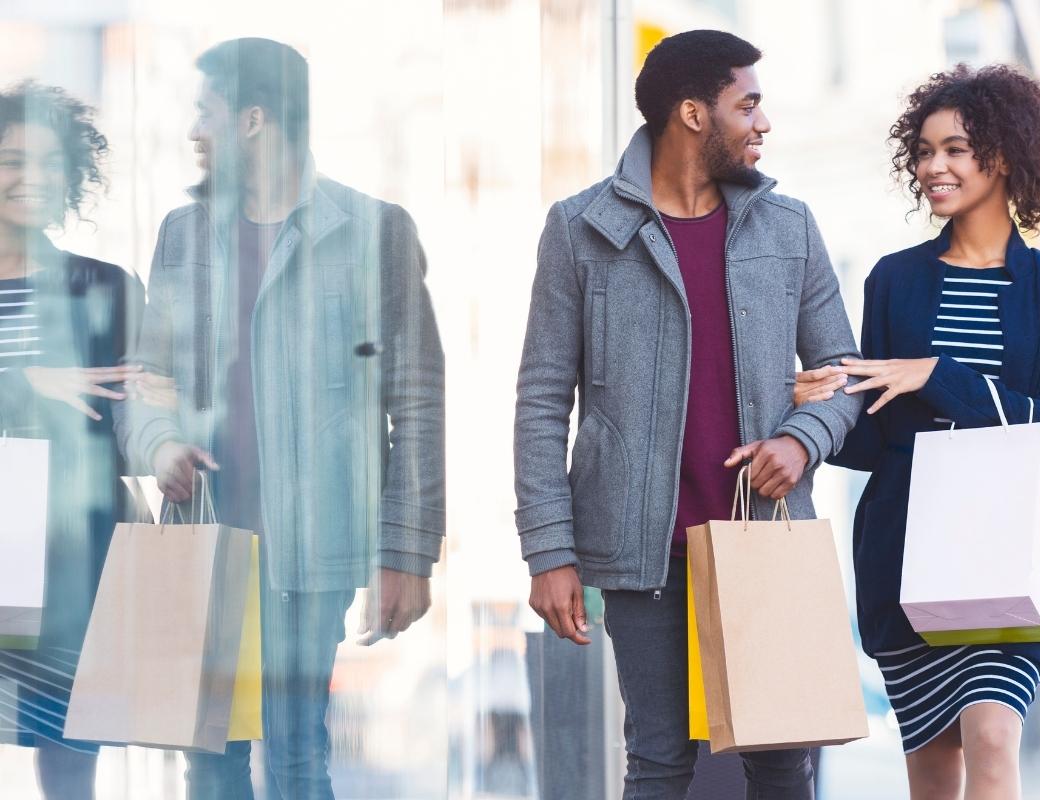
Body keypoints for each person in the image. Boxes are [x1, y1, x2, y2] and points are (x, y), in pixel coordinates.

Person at [514, 30, 862, 799]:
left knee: (779, 759)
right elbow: (542, 398)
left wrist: (803, 443)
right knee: (660, 761)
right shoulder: (581, 230)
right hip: (640, 551)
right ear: (694, 114)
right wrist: (548, 550)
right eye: (749, 104)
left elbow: (845, 375)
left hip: (762, 538)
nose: (763, 124)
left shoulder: (789, 228)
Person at [113, 38, 445, 799]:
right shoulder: (183, 234)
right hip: (205, 540)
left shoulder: (373, 230)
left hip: (313, 545)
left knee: (297, 757)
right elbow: (148, 380)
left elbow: (418, 401)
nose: (195, 131)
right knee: (210, 761)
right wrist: (158, 443)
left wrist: (409, 551)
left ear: (254, 119)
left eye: (207, 113)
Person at [797, 64, 1040, 799]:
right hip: (908, 556)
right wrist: (823, 403)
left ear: (1005, 154)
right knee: (932, 774)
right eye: (926, 151)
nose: (935, 166)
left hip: (1008, 559)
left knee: (992, 734)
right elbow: (877, 440)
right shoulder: (894, 280)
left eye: (956, 148)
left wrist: (937, 375)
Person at [0, 81, 144, 800]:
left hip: (67, 551)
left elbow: (129, 423)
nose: (31, 178)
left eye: (50, 162)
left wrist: (168, 422)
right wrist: (27, 387)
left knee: (64, 746)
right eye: (11, 159)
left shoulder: (106, 286)